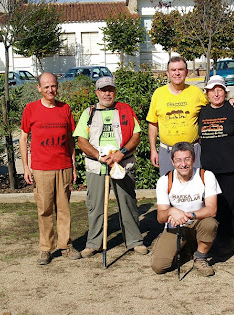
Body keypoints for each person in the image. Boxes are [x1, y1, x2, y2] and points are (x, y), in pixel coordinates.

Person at [73, 76, 148, 257]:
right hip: (97, 166)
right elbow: (81, 140)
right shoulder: (88, 113)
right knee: (95, 205)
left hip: (122, 163)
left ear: (114, 91)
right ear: (97, 92)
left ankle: (134, 241)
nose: (107, 93)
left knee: (128, 202)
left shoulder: (125, 110)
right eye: (103, 90)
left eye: (110, 89)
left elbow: (136, 135)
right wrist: (98, 156)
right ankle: (93, 243)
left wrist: (120, 153)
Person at [19, 72, 81, 265]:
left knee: (64, 209)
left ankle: (65, 245)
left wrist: (73, 165)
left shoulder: (65, 109)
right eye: (46, 87)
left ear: (57, 86)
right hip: (41, 168)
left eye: (53, 86)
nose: (50, 90)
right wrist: (26, 167)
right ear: (39, 88)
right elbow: (23, 138)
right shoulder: (31, 109)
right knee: (44, 209)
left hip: (63, 167)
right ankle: (46, 249)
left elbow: (70, 138)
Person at [146, 56, 234, 176]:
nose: (177, 73)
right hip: (167, 152)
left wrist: (232, 99)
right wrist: (153, 150)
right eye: (173, 70)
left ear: (186, 72)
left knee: (195, 190)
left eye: (180, 69)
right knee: (169, 188)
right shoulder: (158, 94)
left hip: (192, 151)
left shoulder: (196, 92)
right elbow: (153, 124)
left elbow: (215, 100)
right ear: (167, 73)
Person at [151, 142, 221, 276]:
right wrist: (171, 211)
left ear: (194, 159)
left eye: (187, 159)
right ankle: (185, 249)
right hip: (175, 226)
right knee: (158, 267)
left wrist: (188, 215)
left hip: (198, 221)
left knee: (210, 224)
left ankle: (200, 257)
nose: (183, 164)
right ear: (172, 161)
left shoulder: (206, 176)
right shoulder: (164, 181)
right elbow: (160, 217)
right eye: (178, 160)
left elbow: (212, 210)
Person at [198, 75, 234, 254]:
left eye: (220, 90)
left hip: (230, 168)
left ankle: (228, 240)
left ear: (226, 92)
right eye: (212, 90)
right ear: (207, 93)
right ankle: (209, 239)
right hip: (208, 170)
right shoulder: (201, 112)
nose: (216, 93)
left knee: (229, 206)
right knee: (209, 206)